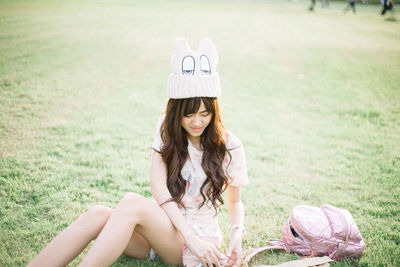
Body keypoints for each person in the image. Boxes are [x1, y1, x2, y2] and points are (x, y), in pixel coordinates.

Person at [27, 38, 249, 267]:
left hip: (195, 241)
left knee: (132, 203)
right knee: (98, 214)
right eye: (189, 114)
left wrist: (235, 236)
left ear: (214, 111)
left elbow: (235, 202)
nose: (197, 122)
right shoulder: (167, 128)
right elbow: (157, 186)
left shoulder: (230, 145)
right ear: (177, 111)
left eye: (205, 114)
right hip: (163, 229)